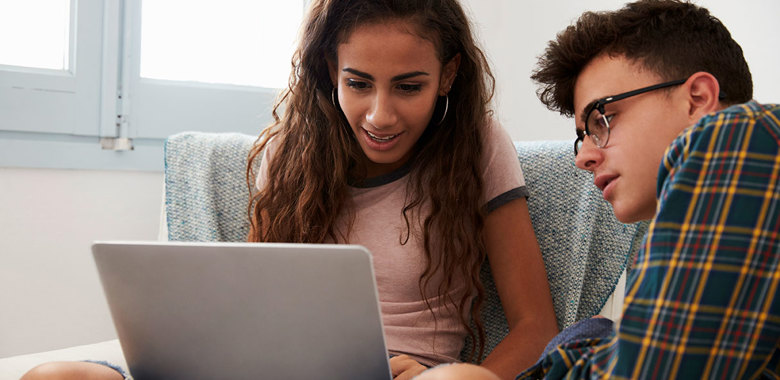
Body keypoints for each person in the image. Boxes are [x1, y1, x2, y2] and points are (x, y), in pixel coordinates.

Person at [20, 1, 557, 379]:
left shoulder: (478, 145)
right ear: (331, 69)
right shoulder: (289, 151)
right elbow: (256, 305)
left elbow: (536, 327)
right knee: (54, 375)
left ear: (449, 74)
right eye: (358, 83)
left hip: (415, 375)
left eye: (409, 87)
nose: (380, 115)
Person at [417, 0, 779, 379]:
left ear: (699, 98)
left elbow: (658, 368)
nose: (584, 157)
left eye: (602, 119)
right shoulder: (670, 242)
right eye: (582, 136)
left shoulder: (747, 134)